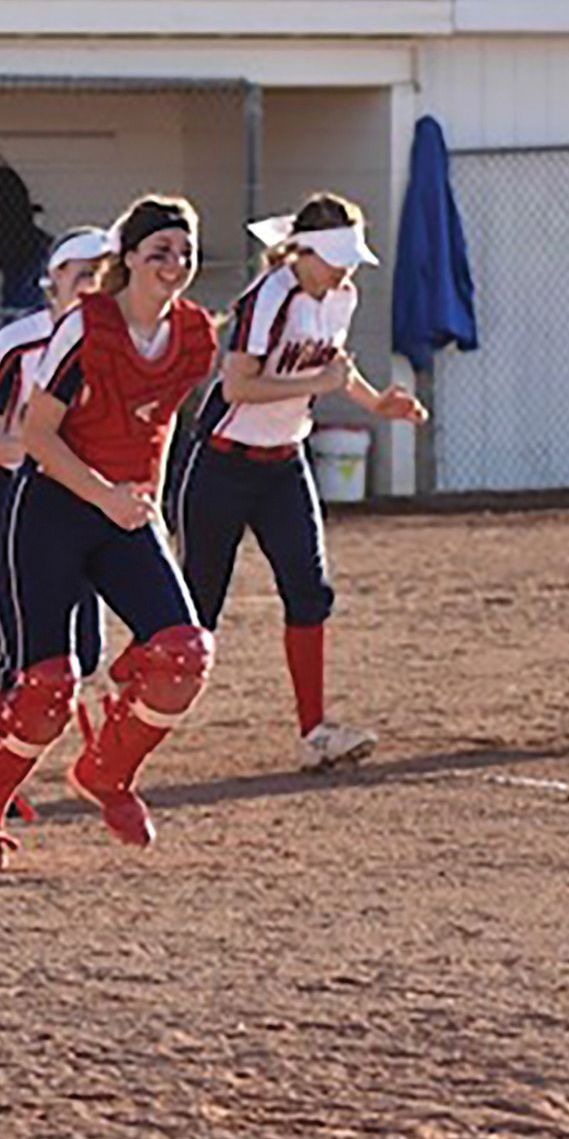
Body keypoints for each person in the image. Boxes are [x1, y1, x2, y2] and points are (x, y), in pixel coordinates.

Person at [0, 194, 218, 870]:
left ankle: (106, 773)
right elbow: (38, 437)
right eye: (160, 251)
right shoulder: (86, 326)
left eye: (185, 252)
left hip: (121, 509)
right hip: (54, 508)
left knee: (185, 653)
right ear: (127, 259)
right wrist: (105, 495)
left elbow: (156, 422)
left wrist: (143, 497)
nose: (175, 264)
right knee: (46, 687)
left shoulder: (192, 333)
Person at [173, 193, 427, 772]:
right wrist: (321, 380)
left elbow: (335, 365)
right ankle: (127, 704)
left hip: (283, 463)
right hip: (221, 462)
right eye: (334, 256)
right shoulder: (269, 296)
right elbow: (238, 388)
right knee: (195, 612)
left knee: (309, 591)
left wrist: (376, 401)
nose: (344, 269)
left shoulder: (341, 295)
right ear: (303, 250)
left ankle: (314, 730)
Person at [0, 227, 113, 726]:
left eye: (107, 273)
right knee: (30, 640)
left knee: (85, 651)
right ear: (54, 281)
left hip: (85, 496)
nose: (96, 283)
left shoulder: (123, 342)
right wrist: (39, 449)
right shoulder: (20, 342)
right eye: (83, 273)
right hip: (12, 494)